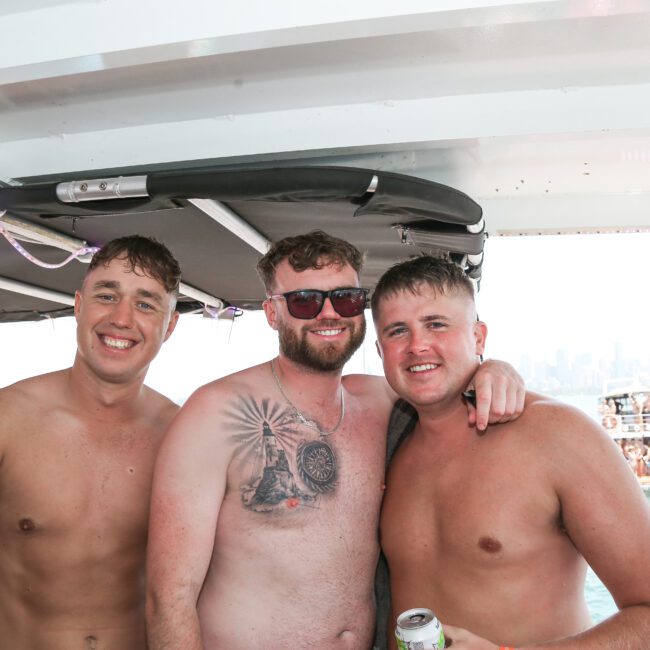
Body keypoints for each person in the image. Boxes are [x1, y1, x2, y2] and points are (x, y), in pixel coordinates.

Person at [145, 230, 525, 650]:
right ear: (272, 314)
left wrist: (492, 369)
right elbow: (169, 598)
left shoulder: (381, 402)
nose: (329, 314)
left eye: (345, 299)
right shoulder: (216, 412)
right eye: (305, 301)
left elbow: (442, 377)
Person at [373, 255, 650, 650]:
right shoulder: (387, 441)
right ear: (380, 351)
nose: (418, 345)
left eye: (436, 324)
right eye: (398, 331)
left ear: (479, 337)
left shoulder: (557, 436)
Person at [0, 236, 181, 650]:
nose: (121, 318)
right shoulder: (8, 418)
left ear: (169, 326)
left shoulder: (183, 437)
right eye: (107, 295)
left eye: (146, 304)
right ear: (79, 305)